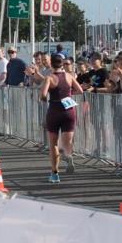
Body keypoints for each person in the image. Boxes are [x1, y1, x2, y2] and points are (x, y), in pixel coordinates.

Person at [39, 54, 83, 183]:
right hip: (69, 111)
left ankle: (54, 173)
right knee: (67, 141)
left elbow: (43, 94)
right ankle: (68, 155)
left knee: (53, 144)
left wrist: (44, 98)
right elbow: (80, 90)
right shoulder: (69, 76)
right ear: (62, 64)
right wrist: (68, 94)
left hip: (54, 109)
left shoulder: (49, 78)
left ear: (51, 64)